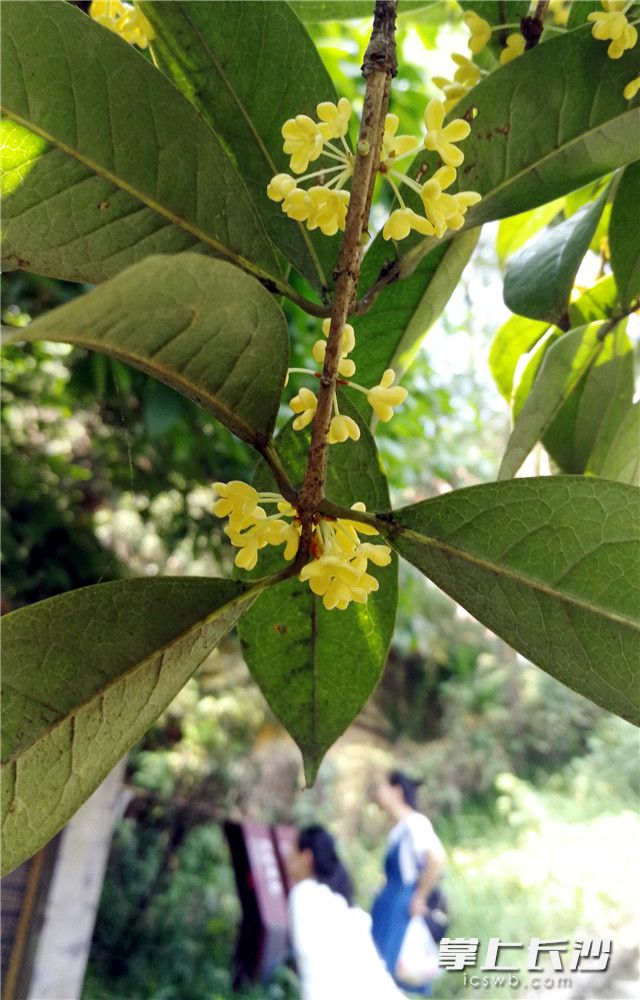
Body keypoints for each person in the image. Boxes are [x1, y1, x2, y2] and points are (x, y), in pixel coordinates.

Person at [286, 824, 406, 1000]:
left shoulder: (304, 893)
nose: (287, 857)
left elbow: (311, 963)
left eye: (292, 851)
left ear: (306, 857)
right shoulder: (341, 902)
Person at [371, 771, 447, 993]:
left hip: (400, 907)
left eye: (381, 787)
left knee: (387, 971)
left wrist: (419, 897)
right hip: (390, 904)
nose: (377, 793)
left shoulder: (415, 823)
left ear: (396, 791)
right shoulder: (399, 828)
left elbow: (436, 858)